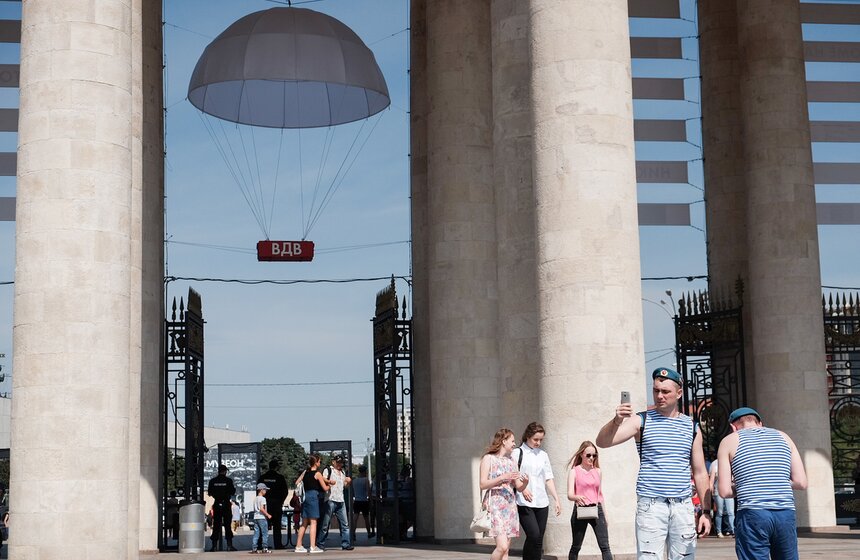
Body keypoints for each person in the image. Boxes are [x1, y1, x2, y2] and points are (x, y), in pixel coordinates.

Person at [596, 367, 712, 559]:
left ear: (679, 393)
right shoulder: (641, 420)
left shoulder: (692, 427)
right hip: (651, 505)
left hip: (682, 505)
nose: (659, 396)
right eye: (656, 390)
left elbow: (700, 472)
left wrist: (706, 512)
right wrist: (616, 421)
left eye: (665, 391)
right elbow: (603, 442)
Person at [716, 407, 808, 560]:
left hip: (753, 513)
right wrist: (776, 482)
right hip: (785, 512)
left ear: (733, 427)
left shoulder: (729, 441)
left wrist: (748, 485)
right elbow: (801, 482)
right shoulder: (784, 437)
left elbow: (724, 491)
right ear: (760, 423)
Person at [512, 422, 563, 560]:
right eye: (536, 439)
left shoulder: (543, 455)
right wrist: (522, 489)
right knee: (533, 535)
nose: (538, 442)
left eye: (541, 440)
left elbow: (549, 478)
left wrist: (556, 499)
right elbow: (513, 476)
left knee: (539, 539)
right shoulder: (517, 453)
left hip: (542, 502)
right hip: (524, 502)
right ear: (528, 436)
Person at [480, 428, 528, 560]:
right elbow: (483, 484)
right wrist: (502, 477)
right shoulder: (488, 459)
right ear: (503, 441)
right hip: (495, 504)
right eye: (512, 441)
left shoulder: (512, 461)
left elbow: (518, 486)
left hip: (510, 506)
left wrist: (526, 483)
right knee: (502, 547)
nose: (514, 444)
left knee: (506, 551)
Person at [567, 441, 613, 560]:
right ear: (582, 454)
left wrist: (605, 515)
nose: (591, 458)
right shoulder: (574, 471)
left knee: (605, 546)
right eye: (588, 455)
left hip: (596, 510)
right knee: (576, 546)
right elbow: (569, 494)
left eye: (594, 455)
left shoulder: (598, 471)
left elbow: (600, 495)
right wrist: (576, 497)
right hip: (580, 510)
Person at [294, 453, 331, 554]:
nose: (320, 463)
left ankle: (298, 545)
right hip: (313, 497)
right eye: (319, 461)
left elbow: (297, 482)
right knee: (314, 522)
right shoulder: (318, 474)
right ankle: (313, 546)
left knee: (304, 523)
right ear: (316, 462)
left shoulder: (305, 472)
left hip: (305, 498)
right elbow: (325, 488)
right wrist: (330, 486)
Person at [318, 454, 354, 550]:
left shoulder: (342, 472)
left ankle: (346, 544)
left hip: (340, 500)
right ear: (333, 462)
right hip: (330, 499)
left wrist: (348, 482)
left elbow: (344, 486)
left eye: (341, 463)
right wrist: (330, 482)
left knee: (345, 524)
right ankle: (320, 543)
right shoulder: (328, 470)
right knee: (325, 524)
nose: (339, 464)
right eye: (338, 462)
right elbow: (322, 478)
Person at [207, 464, 238, 551]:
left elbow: (210, 492)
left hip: (217, 503)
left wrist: (217, 495)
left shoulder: (213, 481)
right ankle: (229, 545)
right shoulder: (228, 481)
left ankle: (214, 546)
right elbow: (232, 491)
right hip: (226, 504)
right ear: (225, 471)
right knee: (228, 525)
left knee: (216, 525)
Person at [258, 459, 288, 549]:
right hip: (277, 504)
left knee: (263, 525)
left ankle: (261, 544)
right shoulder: (280, 478)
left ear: (269, 466)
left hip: (265, 504)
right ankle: (278, 544)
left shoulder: (263, 477)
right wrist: (281, 501)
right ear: (276, 467)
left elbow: (258, 490)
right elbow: (285, 491)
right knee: (277, 526)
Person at [708, 459, 734, 537]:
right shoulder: (715, 464)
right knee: (719, 512)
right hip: (717, 492)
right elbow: (711, 480)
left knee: (731, 512)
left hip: (729, 491)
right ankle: (719, 531)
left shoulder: (730, 463)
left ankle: (733, 530)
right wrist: (711, 493)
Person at [350, 465, 373, 542]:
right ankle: (369, 533)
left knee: (355, 518)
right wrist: (371, 500)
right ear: (364, 471)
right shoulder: (366, 480)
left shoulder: (354, 480)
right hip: (364, 501)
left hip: (356, 501)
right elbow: (368, 491)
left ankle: (353, 533)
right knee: (366, 518)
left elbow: (352, 492)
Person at [251, 483, 273, 554]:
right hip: (262, 517)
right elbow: (261, 509)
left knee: (256, 533)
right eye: (265, 489)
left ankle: (254, 548)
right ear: (261, 490)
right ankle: (265, 548)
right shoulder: (263, 499)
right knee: (265, 533)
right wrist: (268, 514)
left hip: (256, 517)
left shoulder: (255, 498)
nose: (266, 491)